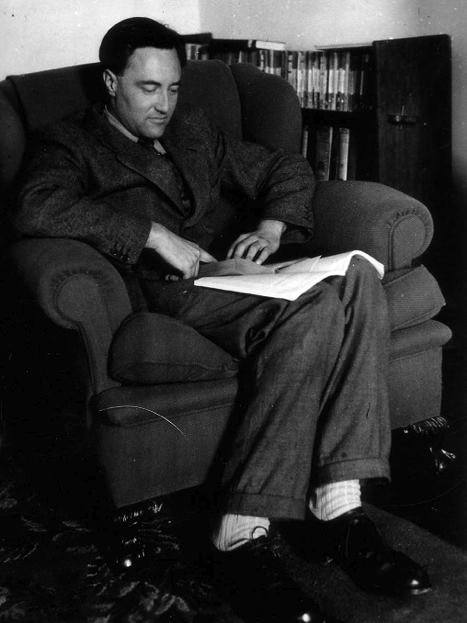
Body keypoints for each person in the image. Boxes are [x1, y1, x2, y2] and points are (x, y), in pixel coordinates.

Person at [12, 17, 431, 623]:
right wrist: (152, 234)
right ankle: (238, 534)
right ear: (110, 82)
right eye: (148, 88)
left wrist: (271, 226)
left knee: (360, 276)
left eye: (174, 88)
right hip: (170, 290)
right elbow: (34, 206)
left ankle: (336, 510)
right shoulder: (68, 143)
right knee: (316, 305)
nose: (164, 104)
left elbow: (284, 169)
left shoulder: (195, 131)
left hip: (236, 277)